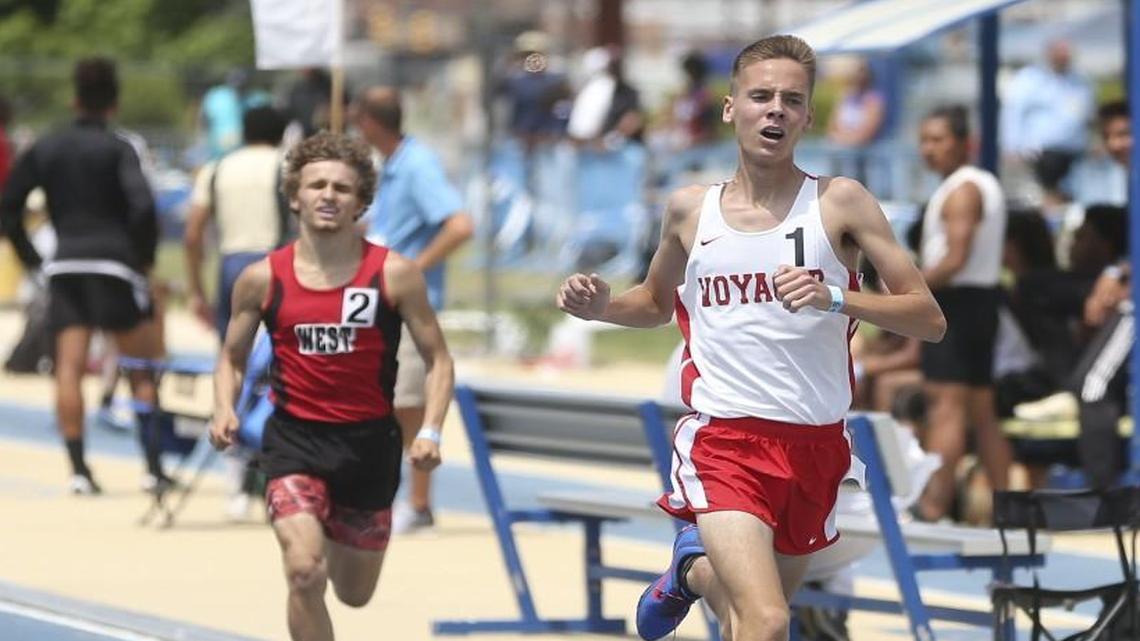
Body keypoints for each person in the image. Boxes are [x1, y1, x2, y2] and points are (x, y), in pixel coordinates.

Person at [557, 35, 945, 641]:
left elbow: (928, 317)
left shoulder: (840, 202)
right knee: (768, 620)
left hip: (814, 447)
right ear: (730, 107)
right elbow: (657, 304)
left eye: (792, 99)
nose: (776, 109)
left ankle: (690, 572)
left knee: (747, 619)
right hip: (726, 440)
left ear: (808, 116)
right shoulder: (690, 211)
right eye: (761, 96)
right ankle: (696, 566)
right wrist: (604, 305)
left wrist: (836, 296)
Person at [208, 132, 455, 641]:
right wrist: (223, 409)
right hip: (295, 443)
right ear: (294, 196)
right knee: (303, 571)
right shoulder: (261, 278)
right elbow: (231, 357)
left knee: (353, 593)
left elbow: (438, 359)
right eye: (316, 184)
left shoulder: (394, 275)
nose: (327, 195)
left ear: (361, 201)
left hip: (369, 448)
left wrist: (430, 430)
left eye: (342, 188)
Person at [0, 57, 167, 494]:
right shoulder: (119, 147)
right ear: (114, 103)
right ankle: (152, 468)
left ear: (74, 99)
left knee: (68, 369)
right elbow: (143, 206)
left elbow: (9, 205)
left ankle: (78, 471)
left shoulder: (46, 147)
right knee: (139, 368)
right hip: (114, 263)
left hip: (66, 263)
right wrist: (141, 257)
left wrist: (33, 258)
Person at [353, 86, 473, 533]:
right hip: (379, 299)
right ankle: (395, 494)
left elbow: (460, 225)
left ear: (368, 121)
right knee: (385, 401)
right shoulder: (391, 167)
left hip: (408, 304)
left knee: (408, 402)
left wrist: (413, 269)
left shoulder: (417, 165)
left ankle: (418, 502)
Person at [185, 104, 288, 517]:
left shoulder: (218, 168)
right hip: (279, 262)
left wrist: (195, 288)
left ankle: (233, 478)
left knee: (232, 360)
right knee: (281, 366)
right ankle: (272, 472)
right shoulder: (286, 164)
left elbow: (193, 234)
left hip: (231, 265)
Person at [914, 105, 1012, 522]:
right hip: (979, 302)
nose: (928, 149)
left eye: (938, 139)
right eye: (924, 140)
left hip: (958, 304)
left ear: (963, 143)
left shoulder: (963, 189)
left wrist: (910, 289)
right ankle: (1008, 507)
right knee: (982, 409)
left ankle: (934, 506)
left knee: (946, 408)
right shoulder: (977, 185)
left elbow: (955, 258)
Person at [1001, 39, 1095, 210]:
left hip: (1074, 151)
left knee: (1069, 198)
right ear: (1049, 54)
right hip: (1041, 152)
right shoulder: (1031, 78)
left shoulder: (1081, 80)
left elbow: (1087, 114)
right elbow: (1014, 113)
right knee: (1045, 196)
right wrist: (1012, 146)